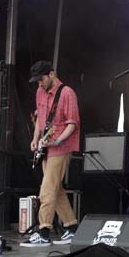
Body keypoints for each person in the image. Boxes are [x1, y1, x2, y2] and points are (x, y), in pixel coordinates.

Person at [21, 61, 80, 247]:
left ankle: (43, 232)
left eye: (41, 79)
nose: (39, 84)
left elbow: (73, 124)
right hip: (46, 147)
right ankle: (71, 228)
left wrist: (58, 141)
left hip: (62, 147)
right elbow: (40, 118)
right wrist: (35, 138)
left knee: (46, 190)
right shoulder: (40, 92)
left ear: (52, 74)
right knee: (55, 188)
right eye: (36, 81)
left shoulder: (67, 93)